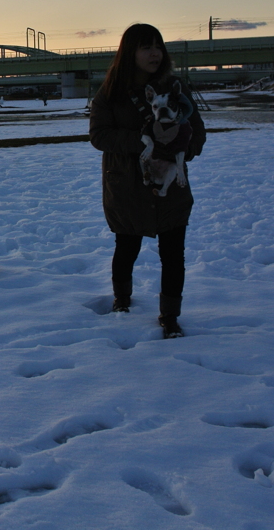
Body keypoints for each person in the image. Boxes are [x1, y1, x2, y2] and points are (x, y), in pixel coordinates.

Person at [89, 24, 207, 338]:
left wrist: (187, 147)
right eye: (146, 47)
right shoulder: (111, 92)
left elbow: (197, 129)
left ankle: (170, 317)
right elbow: (99, 136)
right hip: (127, 186)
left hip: (169, 186)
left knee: (173, 253)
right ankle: (121, 299)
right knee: (126, 247)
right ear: (130, 52)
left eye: (158, 46)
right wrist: (142, 141)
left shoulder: (174, 88)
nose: (155, 52)